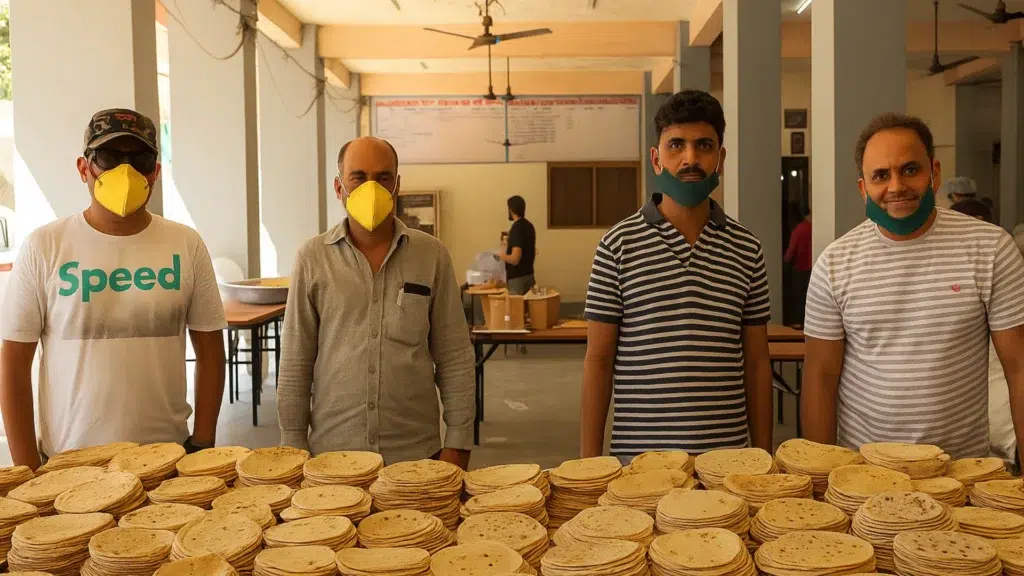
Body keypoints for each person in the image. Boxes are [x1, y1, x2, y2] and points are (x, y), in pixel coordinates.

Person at [0, 108, 227, 469]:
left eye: (140, 159)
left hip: (166, 462)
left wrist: (201, 442)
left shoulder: (185, 244)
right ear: (83, 168)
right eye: (108, 158)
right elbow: (13, 363)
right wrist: (28, 469)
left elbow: (211, 350)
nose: (126, 171)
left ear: (156, 172)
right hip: (71, 464)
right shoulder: (45, 246)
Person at [801, 112, 1024, 460]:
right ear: (863, 188)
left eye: (909, 169)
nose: (896, 186)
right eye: (880, 175)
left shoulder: (990, 248)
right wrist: (820, 478)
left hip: (961, 472)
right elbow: (820, 378)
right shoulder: (835, 263)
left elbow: (1018, 366)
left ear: (934, 173)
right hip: (864, 474)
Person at [580, 90, 773, 462]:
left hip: (727, 461)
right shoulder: (617, 245)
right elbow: (599, 360)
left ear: (721, 158)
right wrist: (588, 464)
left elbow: (756, 362)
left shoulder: (747, 248)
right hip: (639, 462)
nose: (690, 159)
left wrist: (762, 458)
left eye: (704, 145)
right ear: (656, 158)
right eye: (676, 145)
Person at [277, 136, 475, 469]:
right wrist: (293, 447)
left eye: (383, 177)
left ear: (396, 186)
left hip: (416, 456)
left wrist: (458, 442)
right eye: (359, 177)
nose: (372, 188)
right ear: (340, 188)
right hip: (333, 459)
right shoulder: (312, 259)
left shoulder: (432, 256)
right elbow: (296, 360)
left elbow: (454, 355)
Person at [499, 195, 536, 295]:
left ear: (511, 210)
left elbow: (515, 259)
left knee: (515, 310)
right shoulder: (529, 226)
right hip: (529, 275)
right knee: (528, 310)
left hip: (517, 280)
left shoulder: (516, 228)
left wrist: (500, 256)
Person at [784, 208, 812, 326]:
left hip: (799, 269)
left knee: (799, 299)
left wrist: (785, 262)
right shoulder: (813, 228)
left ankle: (797, 323)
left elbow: (791, 251)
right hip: (812, 269)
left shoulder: (799, 229)